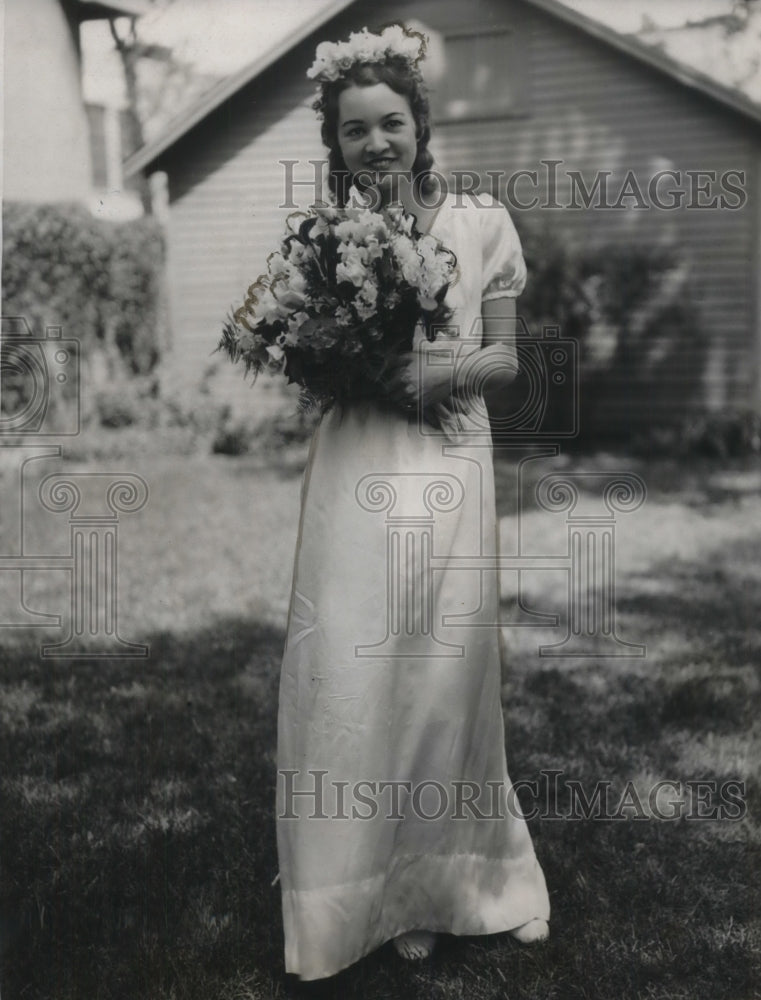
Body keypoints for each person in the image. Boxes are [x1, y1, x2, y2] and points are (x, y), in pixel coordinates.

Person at [275, 23, 550, 981]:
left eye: (391, 124)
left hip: (447, 454)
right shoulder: (313, 242)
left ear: (419, 125)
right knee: (354, 672)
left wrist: (437, 372)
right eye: (355, 132)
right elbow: (302, 358)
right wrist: (350, 363)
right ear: (335, 144)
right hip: (357, 460)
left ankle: (468, 882)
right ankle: (366, 893)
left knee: (444, 669)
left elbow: (509, 361)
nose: (376, 144)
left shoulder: (478, 221)